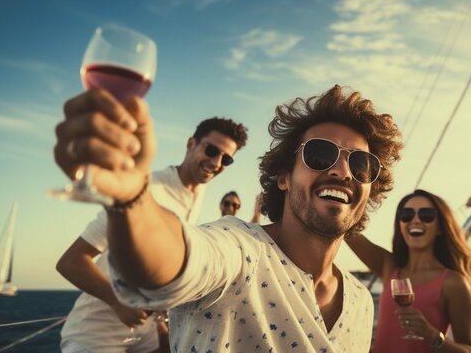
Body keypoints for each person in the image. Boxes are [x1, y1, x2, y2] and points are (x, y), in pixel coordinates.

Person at [53, 85, 403, 352]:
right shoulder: (240, 251)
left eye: (361, 164)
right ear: (283, 177)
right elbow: (187, 257)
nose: (343, 171)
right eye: (320, 154)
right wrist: (130, 198)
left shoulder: (359, 302)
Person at [56, 116, 248, 352]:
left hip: (145, 335)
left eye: (226, 159)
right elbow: (71, 262)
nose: (216, 162)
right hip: (96, 335)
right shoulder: (146, 192)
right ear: (190, 144)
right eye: (211, 150)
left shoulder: (196, 193)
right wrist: (118, 303)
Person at [347, 189, 471, 352]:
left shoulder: (453, 283)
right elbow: (347, 229)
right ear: (400, 226)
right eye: (407, 215)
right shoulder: (389, 266)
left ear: (440, 228)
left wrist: (432, 335)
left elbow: (470, 350)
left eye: (426, 215)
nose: (416, 220)